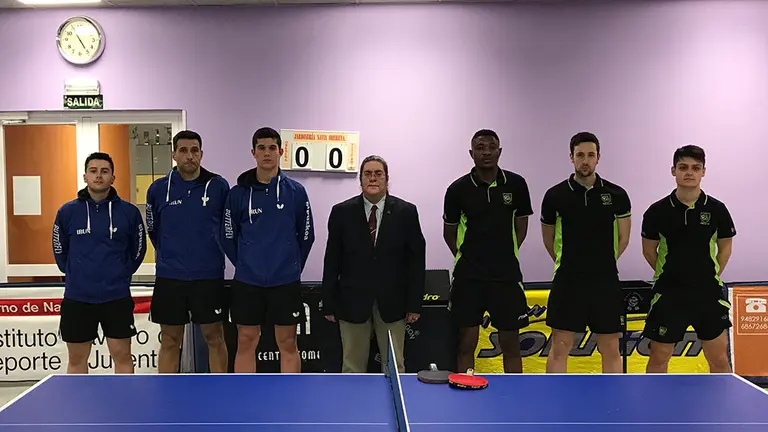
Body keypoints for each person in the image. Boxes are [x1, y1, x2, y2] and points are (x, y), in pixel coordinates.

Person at [222, 127, 315, 373]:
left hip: (285, 281)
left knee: (287, 342)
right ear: (253, 152)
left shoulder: (296, 192)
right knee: (245, 340)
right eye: (261, 148)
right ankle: (245, 398)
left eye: (272, 147)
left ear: (281, 152)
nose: (267, 153)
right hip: (247, 281)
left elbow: (306, 235)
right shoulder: (237, 194)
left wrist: (291, 266)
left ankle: (289, 400)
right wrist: (244, 263)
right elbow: (227, 235)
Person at [322, 155, 426, 373]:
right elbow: (332, 260)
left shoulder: (406, 212)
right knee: (351, 365)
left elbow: (415, 261)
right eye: (367, 174)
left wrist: (414, 304)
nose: (373, 178)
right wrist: (329, 302)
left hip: (393, 302)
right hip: (351, 301)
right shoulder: (341, 212)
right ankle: (351, 407)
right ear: (360, 179)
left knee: (395, 366)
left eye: (378, 173)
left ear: (387, 179)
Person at [442, 129, 533, 374]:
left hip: (506, 277)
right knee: (466, 343)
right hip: (468, 278)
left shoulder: (516, 184)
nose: (486, 153)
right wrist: (469, 258)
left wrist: (503, 254)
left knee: (511, 344)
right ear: (471, 153)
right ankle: (464, 393)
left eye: (491, 147)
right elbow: (449, 233)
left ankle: (514, 397)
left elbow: (520, 228)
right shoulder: (457, 190)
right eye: (480, 148)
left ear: (499, 152)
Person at [540, 132, 632, 374]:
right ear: (571, 157)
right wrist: (569, 263)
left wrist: (602, 263)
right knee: (560, 346)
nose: (585, 160)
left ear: (598, 158)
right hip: (567, 281)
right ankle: (556, 403)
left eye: (591, 155)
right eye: (580, 155)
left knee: (611, 348)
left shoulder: (617, 195)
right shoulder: (554, 196)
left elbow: (623, 239)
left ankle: (613, 404)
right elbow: (548, 239)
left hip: (605, 281)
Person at [641, 145, 735, 373]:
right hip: (669, 295)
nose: (689, 172)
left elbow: (724, 249)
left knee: (719, 359)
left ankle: (721, 408)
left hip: (707, 293)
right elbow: (649, 251)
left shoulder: (717, 210)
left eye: (695, 168)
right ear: (673, 171)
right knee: (658, 358)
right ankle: (653, 407)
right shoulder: (657, 211)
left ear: (703, 172)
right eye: (683, 167)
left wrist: (706, 275)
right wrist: (671, 274)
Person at [52, 152, 147, 374]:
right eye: (93, 171)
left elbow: (139, 249)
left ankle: (124, 406)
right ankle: (79, 407)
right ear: (85, 176)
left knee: (122, 355)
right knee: (76, 359)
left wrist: (122, 273)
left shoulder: (129, 213)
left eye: (104, 171)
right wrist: (76, 273)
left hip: (116, 297)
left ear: (113, 177)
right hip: (78, 297)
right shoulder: (67, 212)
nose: (98, 176)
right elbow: (59, 250)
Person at [146, 130, 231, 374]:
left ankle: (219, 391)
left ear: (201, 154)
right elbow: (154, 231)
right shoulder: (158, 189)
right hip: (170, 277)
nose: (189, 156)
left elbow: (228, 227)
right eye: (183, 150)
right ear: (174, 154)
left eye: (194, 150)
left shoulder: (218, 186)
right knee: (170, 340)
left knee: (214, 337)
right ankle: (168, 396)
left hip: (208, 275)